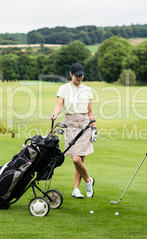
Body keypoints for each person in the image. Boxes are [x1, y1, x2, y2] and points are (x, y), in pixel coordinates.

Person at [50, 63, 97, 199]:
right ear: (71, 74)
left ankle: (76, 189)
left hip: (84, 124)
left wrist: (94, 128)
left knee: (80, 158)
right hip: (71, 123)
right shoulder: (64, 88)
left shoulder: (87, 90)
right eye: (77, 76)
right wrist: (55, 114)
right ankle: (89, 181)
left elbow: (90, 111)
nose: (79, 78)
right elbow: (59, 106)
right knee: (75, 159)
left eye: (81, 75)